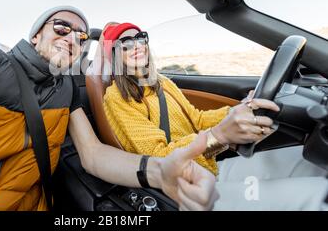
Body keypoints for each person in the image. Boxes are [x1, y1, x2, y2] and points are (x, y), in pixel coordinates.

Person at [0, 6, 218, 211]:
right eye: (61, 28)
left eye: (82, 37)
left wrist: (158, 172)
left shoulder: (67, 88)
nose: (72, 38)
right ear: (36, 35)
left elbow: (94, 155)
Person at [102, 22, 328, 210]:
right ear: (113, 54)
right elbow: (156, 157)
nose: (137, 45)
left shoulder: (163, 83)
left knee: (304, 158)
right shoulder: (117, 97)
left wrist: (237, 111)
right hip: (185, 185)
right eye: (126, 43)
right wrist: (217, 137)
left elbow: (197, 119)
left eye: (140, 38)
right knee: (316, 195)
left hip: (210, 166)